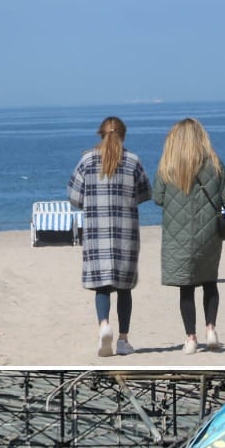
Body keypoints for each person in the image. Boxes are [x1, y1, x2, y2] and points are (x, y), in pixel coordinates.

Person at [152, 118, 225, 353]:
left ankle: (191, 339)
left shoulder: (167, 165)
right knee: (209, 281)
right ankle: (211, 329)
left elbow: (158, 198)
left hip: (177, 235)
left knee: (186, 286)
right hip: (208, 232)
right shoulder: (214, 163)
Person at [68, 116, 151, 357]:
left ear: (100, 134)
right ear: (123, 135)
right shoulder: (133, 161)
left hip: (97, 232)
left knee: (101, 287)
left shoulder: (87, 160)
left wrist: (93, 201)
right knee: (124, 288)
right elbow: (145, 193)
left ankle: (104, 325)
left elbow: (74, 196)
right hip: (125, 232)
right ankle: (123, 340)